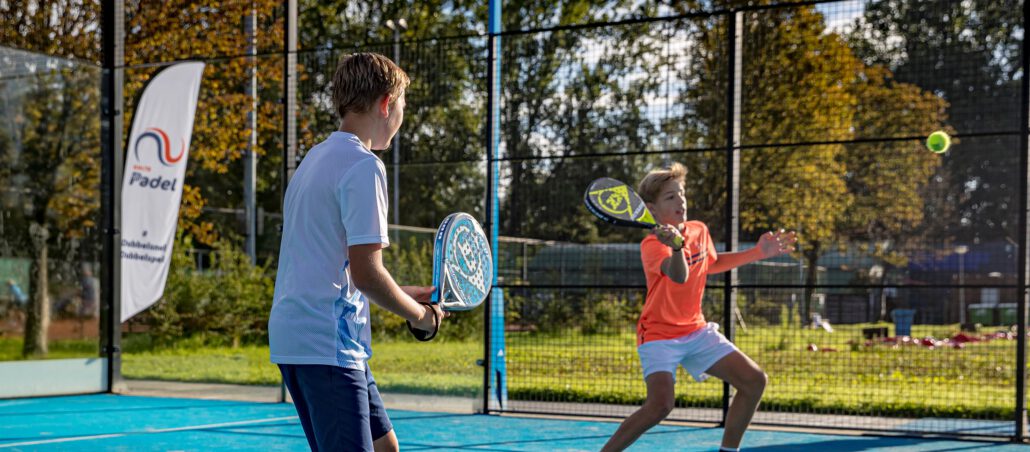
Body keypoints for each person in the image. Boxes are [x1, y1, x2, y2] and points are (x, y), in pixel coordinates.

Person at [268, 52, 444, 452]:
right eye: (402, 106)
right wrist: (421, 318)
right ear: (386, 103)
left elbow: (338, 264)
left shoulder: (314, 159)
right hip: (326, 343)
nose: (401, 117)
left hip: (302, 335)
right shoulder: (365, 166)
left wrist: (404, 293)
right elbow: (366, 274)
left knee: (387, 447)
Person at [601, 163, 797, 452]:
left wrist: (758, 252)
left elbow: (711, 264)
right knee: (660, 406)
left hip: (695, 330)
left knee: (754, 381)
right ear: (652, 209)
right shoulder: (652, 245)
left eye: (681, 193)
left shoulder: (699, 230)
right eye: (670, 197)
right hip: (658, 335)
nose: (680, 200)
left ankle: (728, 451)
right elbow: (679, 276)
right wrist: (677, 246)